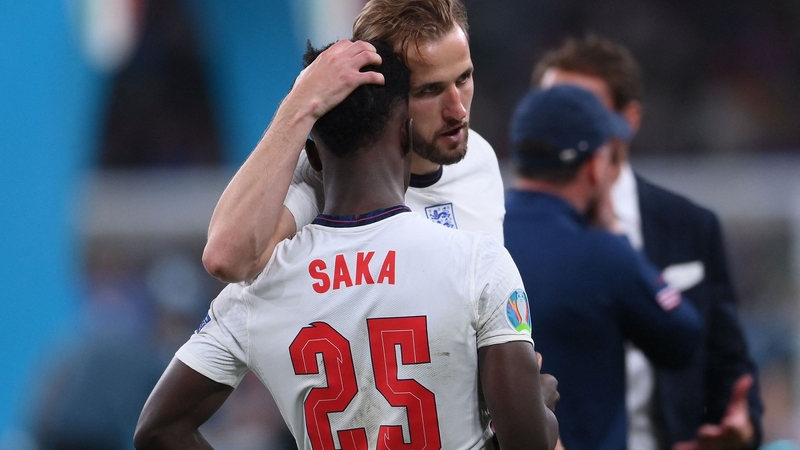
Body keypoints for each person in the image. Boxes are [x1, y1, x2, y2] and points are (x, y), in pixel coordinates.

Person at [134, 41, 559, 450]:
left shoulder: (256, 291)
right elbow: (527, 442)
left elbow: (157, 430)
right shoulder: (477, 263)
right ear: (406, 138)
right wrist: (539, 404)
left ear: (314, 158)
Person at [532, 35, 764, 450]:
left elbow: (729, 362)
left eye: (582, 110)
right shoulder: (507, 232)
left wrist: (743, 427)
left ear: (630, 120)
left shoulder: (691, 227)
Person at [201, 0, 505, 284]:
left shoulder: (481, 158)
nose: (458, 110)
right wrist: (300, 102)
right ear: (385, 94)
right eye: (429, 90)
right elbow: (225, 258)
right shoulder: (334, 175)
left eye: (463, 79)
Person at [503, 84, 704, 450]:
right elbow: (684, 339)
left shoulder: (478, 237)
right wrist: (618, 237)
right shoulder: (604, 254)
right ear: (595, 167)